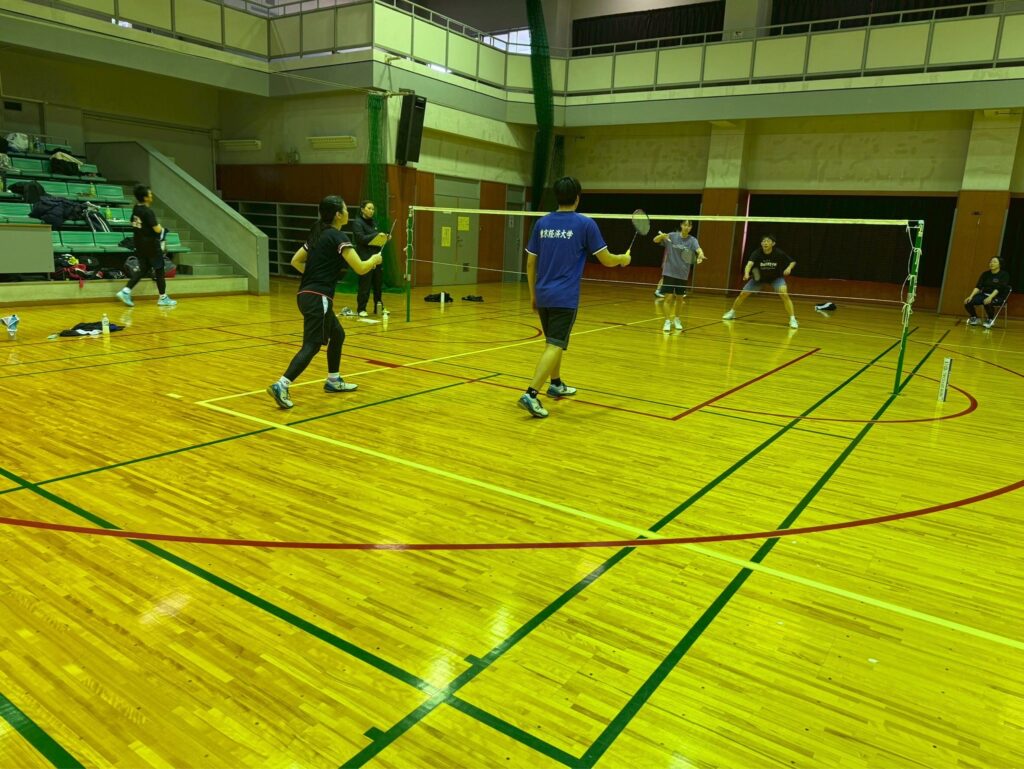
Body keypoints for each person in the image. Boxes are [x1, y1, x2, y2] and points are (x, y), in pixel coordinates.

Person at [519, 176, 632, 418]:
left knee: (554, 341)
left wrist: (532, 294)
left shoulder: (542, 223)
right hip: (565, 297)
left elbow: (530, 263)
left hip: (543, 294)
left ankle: (556, 383)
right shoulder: (585, 224)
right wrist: (622, 259)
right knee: (555, 344)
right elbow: (606, 260)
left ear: (556, 197)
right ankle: (531, 394)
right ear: (578, 198)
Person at [267, 196, 382, 410]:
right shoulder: (338, 236)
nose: (348, 212)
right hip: (318, 297)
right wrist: (374, 260)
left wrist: (314, 275)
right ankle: (281, 384)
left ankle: (333, 380)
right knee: (311, 345)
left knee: (337, 334)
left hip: (305, 294)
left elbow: (295, 261)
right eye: (345, 209)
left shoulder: (317, 233)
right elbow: (360, 268)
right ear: (338, 215)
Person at [115, 185, 177, 307]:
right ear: (145, 197)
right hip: (151, 246)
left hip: (139, 244)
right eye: (149, 194)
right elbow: (157, 229)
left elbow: (132, 222)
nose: (151, 195)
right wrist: (162, 230)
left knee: (143, 269)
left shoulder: (136, 208)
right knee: (159, 270)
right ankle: (163, 298)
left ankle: (125, 291)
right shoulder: (148, 212)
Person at [722, 234, 798, 329]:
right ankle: (732, 312)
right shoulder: (757, 253)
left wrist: (789, 268)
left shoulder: (778, 253)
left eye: (768, 241)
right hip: (759, 278)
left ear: (773, 244)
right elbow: (749, 264)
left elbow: (792, 262)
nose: (765, 243)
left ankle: (792, 319)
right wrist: (746, 273)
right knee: (743, 294)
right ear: (761, 243)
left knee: (784, 294)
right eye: (764, 241)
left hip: (776, 278)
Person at [653, 219, 705, 332]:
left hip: (682, 274)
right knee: (668, 298)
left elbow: (698, 249)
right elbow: (655, 240)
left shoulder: (692, 240)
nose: (687, 227)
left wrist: (701, 254)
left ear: (691, 228)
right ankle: (667, 321)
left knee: (680, 299)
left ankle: (677, 319)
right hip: (669, 272)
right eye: (685, 225)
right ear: (681, 225)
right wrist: (662, 236)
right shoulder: (671, 236)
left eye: (689, 226)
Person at [352, 200, 389, 316]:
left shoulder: (374, 222)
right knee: (365, 285)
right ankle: (361, 309)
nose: (371, 211)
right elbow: (361, 239)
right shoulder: (357, 223)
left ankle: (379, 307)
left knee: (378, 285)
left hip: (377, 257)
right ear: (362, 209)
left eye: (373, 209)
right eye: (369, 208)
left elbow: (376, 240)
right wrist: (376, 235)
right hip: (365, 258)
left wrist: (384, 238)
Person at [964, 255, 1011, 329]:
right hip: (984, 294)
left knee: (988, 302)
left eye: (994, 262)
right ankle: (974, 317)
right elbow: (978, 286)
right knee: (968, 302)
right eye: (991, 262)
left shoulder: (1004, 275)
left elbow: (999, 288)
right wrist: (971, 296)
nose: (992, 263)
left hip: (998, 296)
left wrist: (990, 297)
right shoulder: (985, 274)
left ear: (1000, 264)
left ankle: (990, 319)